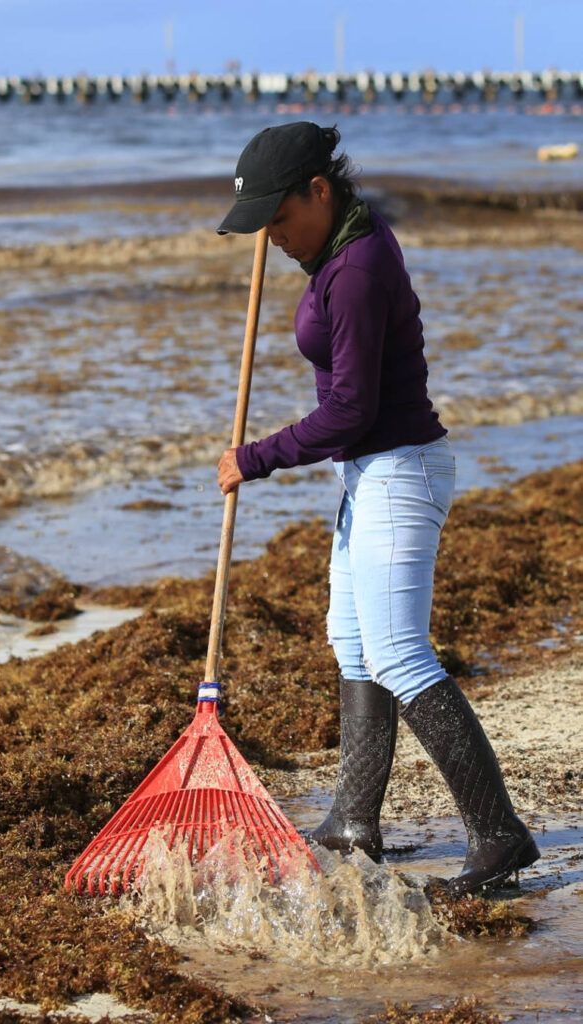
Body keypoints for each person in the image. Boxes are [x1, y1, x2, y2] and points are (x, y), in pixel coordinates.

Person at [216, 121, 540, 897]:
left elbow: (352, 411)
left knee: (397, 652)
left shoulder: (355, 267)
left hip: (397, 470)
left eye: (280, 216)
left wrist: (253, 458)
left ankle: (499, 838)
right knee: (353, 642)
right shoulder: (339, 250)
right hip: (371, 474)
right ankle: (356, 821)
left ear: (319, 191)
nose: (275, 234)